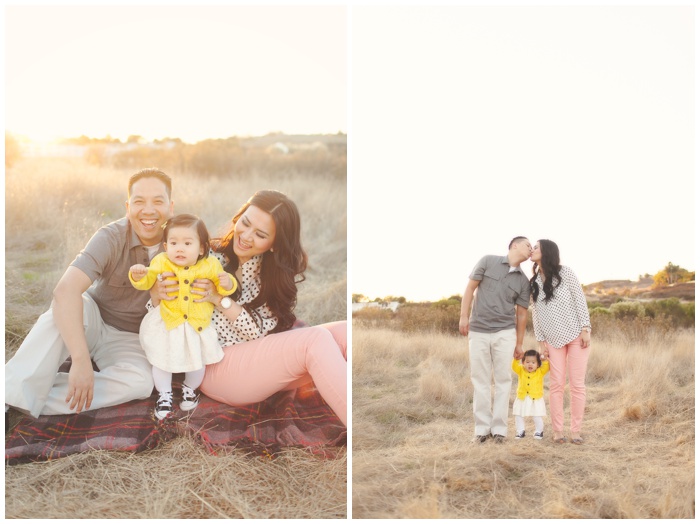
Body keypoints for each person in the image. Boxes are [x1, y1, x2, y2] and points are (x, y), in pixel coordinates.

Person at [149, 190, 347, 426]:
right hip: (213, 365)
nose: (246, 236)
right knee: (315, 339)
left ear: (274, 244)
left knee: (346, 331)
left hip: (255, 358)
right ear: (238, 216)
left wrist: (218, 299)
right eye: (245, 222)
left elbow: (257, 334)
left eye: (261, 234)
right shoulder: (204, 256)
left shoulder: (271, 276)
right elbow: (160, 307)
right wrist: (157, 292)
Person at [5, 168, 174, 418]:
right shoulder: (111, 236)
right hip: (94, 318)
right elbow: (65, 290)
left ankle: (20, 393)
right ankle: (13, 392)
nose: (148, 210)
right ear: (128, 207)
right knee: (61, 311)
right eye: (139, 201)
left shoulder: (183, 241)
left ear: (171, 206)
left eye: (158, 201)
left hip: (132, 338)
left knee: (141, 382)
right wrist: (81, 360)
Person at [129, 214, 236, 420]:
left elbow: (226, 287)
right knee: (162, 361)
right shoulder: (161, 261)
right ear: (165, 246)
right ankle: (164, 394)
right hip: (169, 323)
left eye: (187, 243)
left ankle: (190, 388)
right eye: (174, 243)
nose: (180, 248)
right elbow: (147, 280)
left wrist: (227, 282)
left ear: (202, 248)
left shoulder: (210, 265)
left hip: (197, 325)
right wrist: (138, 275)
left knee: (198, 362)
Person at [459, 236, 532, 443]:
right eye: (528, 245)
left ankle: (499, 430)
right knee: (480, 380)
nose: (531, 248)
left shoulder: (523, 282)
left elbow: (521, 314)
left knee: (503, 381)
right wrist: (464, 316)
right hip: (479, 330)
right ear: (514, 245)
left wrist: (519, 343)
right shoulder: (487, 261)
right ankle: (481, 430)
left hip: (505, 333)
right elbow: (470, 288)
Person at [530, 239, 591, 445]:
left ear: (546, 251)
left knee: (577, 385)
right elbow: (535, 314)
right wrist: (540, 342)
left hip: (576, 335)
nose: (532, 249)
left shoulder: (566, 273)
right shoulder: (534, 282)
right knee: (556, 385)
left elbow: (579, 300)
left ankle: (576, 431)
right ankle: (557, 431)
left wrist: (586, 328)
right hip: (552, 340)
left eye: (536, 247)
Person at [511, 349, 550, 440]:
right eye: (527, 362)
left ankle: (539, 431)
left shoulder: (540, 371)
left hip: (535, 397)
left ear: (538, 364)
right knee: (518, 414)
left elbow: (546, 367)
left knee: (537, 415)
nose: (530, 364)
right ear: (523, 362)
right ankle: (520, 431)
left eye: (533, 362)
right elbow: (514, 367)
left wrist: (544, 360)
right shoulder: (521, 370)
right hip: (522, 396)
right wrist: (516, 359)